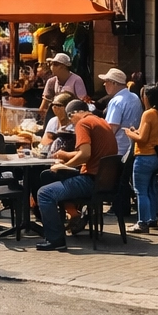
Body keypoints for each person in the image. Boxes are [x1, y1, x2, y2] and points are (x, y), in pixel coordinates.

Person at [33, 99, 118, 251]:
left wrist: (65, 165)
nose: (72, 123)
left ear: (74, 114)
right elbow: (92, 153)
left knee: (44, 193)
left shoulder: (83, 124)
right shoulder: (102, 122)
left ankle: (55, 239)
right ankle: (72, 215)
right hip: (105, 181)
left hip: (90, 181)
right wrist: (66, 155)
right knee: (49, 176)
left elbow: (85, 154)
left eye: (71, 118)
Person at [124, 84, 158, 233]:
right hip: (155, 156)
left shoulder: (148, 113)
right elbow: (149, 135)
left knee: (140, 191)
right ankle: (152, 218)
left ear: (147, 97)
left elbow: (142, 139)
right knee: (151, 189)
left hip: (144, 156)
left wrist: (130, 134)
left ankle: (142, 222)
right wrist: (136, 131)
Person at [100, 67, 142, 160]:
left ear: (114, 83)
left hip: (118, 150)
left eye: (106, 82)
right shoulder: (135, 97)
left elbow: (111, 129)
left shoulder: (116, 101)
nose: (104, 85)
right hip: (133, 148)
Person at [37, 52, 88, 118]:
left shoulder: (77, 80)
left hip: (72, 116)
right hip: (55, 115)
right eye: (51, 64)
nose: (51, 67)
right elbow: (44, 104)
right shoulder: (51, 81)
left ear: (63, 66)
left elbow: (83, 103)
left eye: (55, 64)